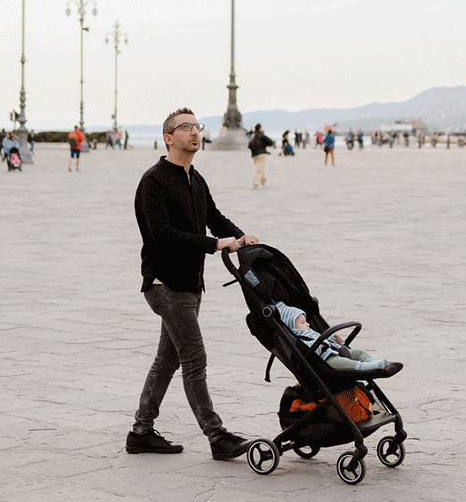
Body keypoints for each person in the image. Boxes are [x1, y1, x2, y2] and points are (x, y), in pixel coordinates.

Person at [126, 108, 256, 460]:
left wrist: (241, 237)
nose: (194, 132)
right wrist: (215, 244)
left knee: (167, 360)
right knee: (194, 359)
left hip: (190, 283)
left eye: (196, 126)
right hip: (165, 284)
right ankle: (217, 437)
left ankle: (140, 432)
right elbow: (163, 235)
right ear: (168, 138)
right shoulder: (154, 181)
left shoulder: (195, 178)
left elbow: (214, 217)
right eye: (185, 127)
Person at [273, 301, 402, 375]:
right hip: (327, 360)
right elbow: (310, 350)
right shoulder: (299, 339)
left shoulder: (310, 332)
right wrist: (321, 345)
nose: (307, 324)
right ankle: (366, 368)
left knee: (359, 352)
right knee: (347, 363)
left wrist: (336, 340)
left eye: (306, 321)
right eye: (302, 322)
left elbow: (325, 340)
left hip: (336, 351)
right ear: (291, 327)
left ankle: (371, 362)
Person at [248, 123, 274, 188]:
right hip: (261, 154)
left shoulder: (253, 136)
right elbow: (271, 142)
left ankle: (264, 182)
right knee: (259, 169)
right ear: (260, 128)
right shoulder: (262, 136)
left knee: (259, 168)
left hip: (254, 155)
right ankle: (255, 183)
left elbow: (249, 145)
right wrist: (264, 145)